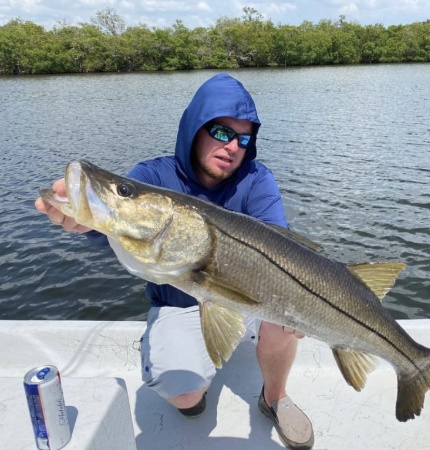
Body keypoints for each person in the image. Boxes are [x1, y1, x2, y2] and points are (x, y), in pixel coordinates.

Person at [34, 73, 315, 450]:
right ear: (194, 128)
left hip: (250, 297)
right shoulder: (151, 176)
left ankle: (274, 397)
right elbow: (118, 228)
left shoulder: (256, 179)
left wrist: (301, 299)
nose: (233, 146)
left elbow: (281, 250)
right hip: (180, 302)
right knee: (184, 394)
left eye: (243, 139)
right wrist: (85, 224)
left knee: (287, 312)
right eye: (220, 132)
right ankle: (193, 372)